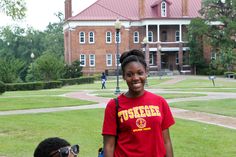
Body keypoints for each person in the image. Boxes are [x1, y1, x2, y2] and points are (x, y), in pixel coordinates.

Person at [102, 49, 175, 157]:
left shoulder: (160, 102)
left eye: (140, 73)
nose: (135, 78)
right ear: (124, 76)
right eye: (129, 74)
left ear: (146, 73)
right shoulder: (114, 105)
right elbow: (109, 146)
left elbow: (166, 142)